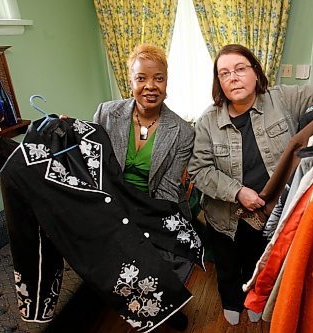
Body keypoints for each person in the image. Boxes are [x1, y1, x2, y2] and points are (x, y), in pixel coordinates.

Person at [187, 43, 313, 325]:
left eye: (240, 69)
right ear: (218, 82)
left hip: (269, 212)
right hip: (226, 216)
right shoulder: (208, 121)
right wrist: (238, 192)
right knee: (228, 264)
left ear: (256, 73)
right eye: (224, 73)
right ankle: (232, 302)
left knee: (260, 261)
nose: (232, 77)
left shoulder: (280, 99)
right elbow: (199, 170)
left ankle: (255, 299)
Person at [93, 44, 194, 330]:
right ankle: (141, 306)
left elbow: (167, 188)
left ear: (166, 81)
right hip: (112, 205)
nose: (150, 86)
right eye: (142, 78)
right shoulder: (106, 113)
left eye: (158, 78)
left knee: (166, 258)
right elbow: (93, 165)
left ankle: (170, 306)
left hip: (158, 206)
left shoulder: (182, 130)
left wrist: (138, 225)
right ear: (131, 81)